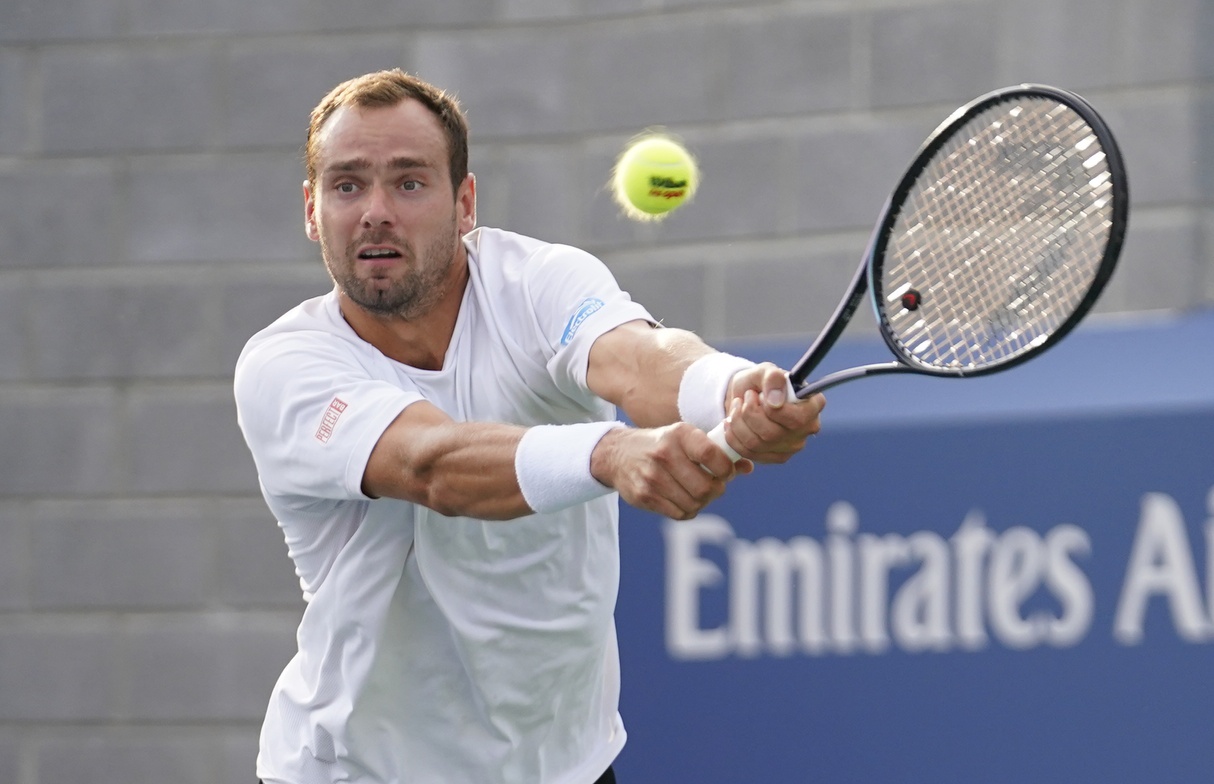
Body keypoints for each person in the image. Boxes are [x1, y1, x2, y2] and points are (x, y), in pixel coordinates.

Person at [233, 68, 825, 784]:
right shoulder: (284, 366)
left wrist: (728, 387)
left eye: (410, 182)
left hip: (566, 766)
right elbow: (432, 464)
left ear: (464, 203)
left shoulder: (538, 282)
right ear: (311, 209)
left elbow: (639, 363)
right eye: (348, 185)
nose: (376, 211)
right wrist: (609, 452)